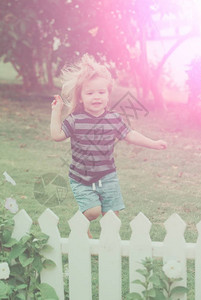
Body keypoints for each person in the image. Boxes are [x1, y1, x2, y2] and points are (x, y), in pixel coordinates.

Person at [50, 54, 167, 237]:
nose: (96, 97)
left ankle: (108, 245)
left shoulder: (113, 119)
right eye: (90, 93)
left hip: (107, 175)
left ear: (108, 95)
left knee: (112, 217)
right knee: (93, 211)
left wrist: (153, 143)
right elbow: (56, 136)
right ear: (80, 97)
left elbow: (130, 135)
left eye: (101, 92)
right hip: (82, 177)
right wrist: (56, 112)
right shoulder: (75, 120)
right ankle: (80, 222)